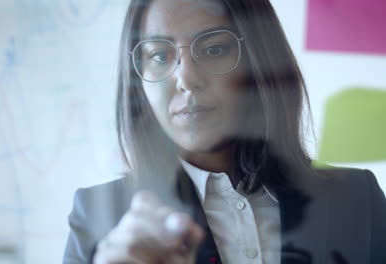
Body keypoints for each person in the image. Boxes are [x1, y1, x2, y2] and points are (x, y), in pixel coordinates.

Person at [63, 0, 386, 263]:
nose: (187, 79)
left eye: (215, 49)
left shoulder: (358, 199)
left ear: (261, 61)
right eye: (159, 55)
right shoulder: (98, 217)